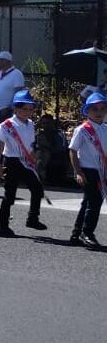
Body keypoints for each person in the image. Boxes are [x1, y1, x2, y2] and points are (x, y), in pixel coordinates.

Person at [0, 90, 46, 238]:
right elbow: (0, 145)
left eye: (30, 109)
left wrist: (34, 157)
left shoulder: (30, 124)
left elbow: (30, 143)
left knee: (37, 189)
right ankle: (2, 225)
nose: (28, 112)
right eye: (24, 109)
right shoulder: (7, 125)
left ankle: (32, 218)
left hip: (26, 161)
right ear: (15, 109)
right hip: (11, 161)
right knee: (9, 195)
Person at [68, 90, 106, 249]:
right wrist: (78, 172)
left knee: (88, 202)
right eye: (94, 109)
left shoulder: (105, 128)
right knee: (95, 201)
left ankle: (76, 233)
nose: (99, 112)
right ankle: (87, 232)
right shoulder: (83, 129)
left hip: (101, 170)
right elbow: (73, 150)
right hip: (87, 170)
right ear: (87, 111)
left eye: (102, 108)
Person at [0, 51, 26, 127]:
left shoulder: (16, 74)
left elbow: (19, 93)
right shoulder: (0, 73)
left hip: (7, 112)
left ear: (5, 61)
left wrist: (9, 108)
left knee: (9, 136)